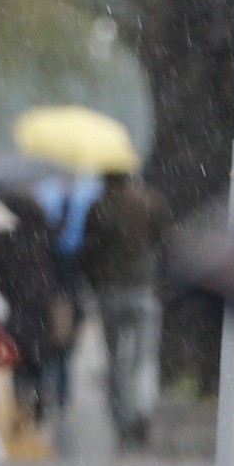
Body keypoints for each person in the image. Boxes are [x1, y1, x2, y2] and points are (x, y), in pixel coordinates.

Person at [79, 171, 171, 448]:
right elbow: (168, 243)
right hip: (146, 288)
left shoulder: (98, 208)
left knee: (115, 359)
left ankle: (121, 418)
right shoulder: (153, 202)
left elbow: (88, 252)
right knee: (144, 358)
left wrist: (94, 282)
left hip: (110, 292)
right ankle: (142, 409)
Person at [0, 190, 71, 427]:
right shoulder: (42, 234)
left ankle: (22, 409)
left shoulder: (4, 239)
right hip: (41, 308)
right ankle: (38, 406)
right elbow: (61, 238)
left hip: (15, 309)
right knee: (38, 361)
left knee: (18, 363)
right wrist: (67, 200)